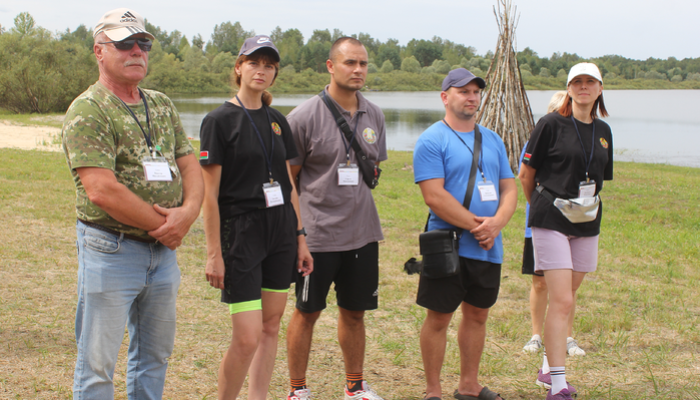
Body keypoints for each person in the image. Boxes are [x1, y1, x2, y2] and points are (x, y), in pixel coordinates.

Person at [61, 8, 204, 399]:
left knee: (154, 357)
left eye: (143, 43)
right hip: (111, 249)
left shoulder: (160, 104)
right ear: (99, 51)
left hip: (162, 256)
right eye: (124, 43)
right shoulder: (89, 109)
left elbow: (189, 164)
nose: (137, 51)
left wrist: (188, 214)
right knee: (96, 364)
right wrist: (166, 225)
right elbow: (101, 190)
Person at [198, 35, 313, 400]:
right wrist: (214, 253)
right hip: (242, 232)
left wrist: (300, 237)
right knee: (246, 337)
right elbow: (210, 196)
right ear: (238, 67)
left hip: (280, 230)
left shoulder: (278, 120)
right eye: (254, 63)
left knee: (270, 327)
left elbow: (289, 185)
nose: (261, 71)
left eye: (269, 66)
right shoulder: (218, 121)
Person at [285, 37, 387, 400]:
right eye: (349, 63)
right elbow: (290, 181)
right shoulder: (302, 117)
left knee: (355, 313)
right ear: (330, 66)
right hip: (318, 236)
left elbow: (373, 166)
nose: (358, 70)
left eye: (363, 63)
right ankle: (298, 389)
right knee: (307, 312)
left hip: (362, 234)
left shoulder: (374, 114)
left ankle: (354, 387)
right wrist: (299, 235)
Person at [413, 68, 517, 400]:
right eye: (463, 92)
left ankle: (469, 385)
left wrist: (498, 222)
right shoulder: (432, 139)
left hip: (489, 246)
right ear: (445, 97)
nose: (471, 98)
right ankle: (433, 390)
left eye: (475, 92)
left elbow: (509, 187)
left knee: (478, 315)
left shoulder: (494, 139)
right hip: (448, 246)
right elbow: (434, 196)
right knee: (439, 317)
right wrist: (479, 226)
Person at [518, 62, 613, 400]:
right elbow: (526, 174)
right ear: (569, 88)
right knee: (559, 299)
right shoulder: (550, 124)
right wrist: (542, 209)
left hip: (587, 222)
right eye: (577, 82)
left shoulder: (603, 131)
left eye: (591, 82)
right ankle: (557, 383)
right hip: (551, 219)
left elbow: (599, 179)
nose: (584, 87)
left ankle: (548, 362)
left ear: (600, 89)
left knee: (569, 298)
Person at [522, 91, 586, 358]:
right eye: (560, 111)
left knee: (568, 286)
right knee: (540, 283)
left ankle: (567, 336)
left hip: (573, 222)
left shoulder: (582, 142)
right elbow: (527, 178)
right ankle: (536, 335)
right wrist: (541, 207)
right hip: (542, 223)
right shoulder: (538, 140)